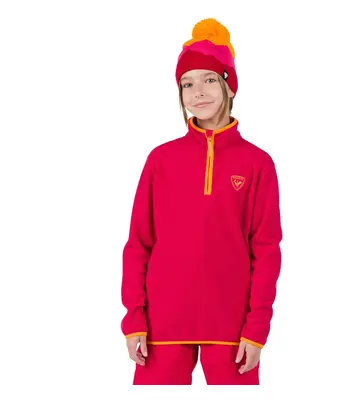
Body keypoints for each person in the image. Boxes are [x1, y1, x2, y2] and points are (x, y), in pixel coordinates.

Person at [120, 17, 283, 385]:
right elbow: (138, 243)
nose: (198, 92)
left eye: (209, 79)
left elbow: (266, 249)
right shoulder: (160, 160)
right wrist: (134, 319)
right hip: (162, 322)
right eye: (187, 83)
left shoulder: (257, 163)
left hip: (232, 323)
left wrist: (257, 327)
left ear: (229, 85)